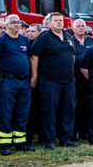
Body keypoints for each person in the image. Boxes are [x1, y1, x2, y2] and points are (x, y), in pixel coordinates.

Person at [0, 14, 35, 156]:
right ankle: (5, 144)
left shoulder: (25, 40)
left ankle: (20, 142)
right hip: (8, 81)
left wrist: (33, 76)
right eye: (13, 23)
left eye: (18, 23)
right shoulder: (1, 40)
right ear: (7, 24)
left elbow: (30, 58)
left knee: (22, 112)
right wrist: (2, 76)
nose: (17, 25)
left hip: (24, 81)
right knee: (6, 111)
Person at [30, 12, 77, 150]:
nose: (59, 23)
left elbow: (72, 55)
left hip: (68, 81)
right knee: (49, 110)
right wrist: (34, 76)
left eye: (61, 20)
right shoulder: (44, 38)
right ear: (49, 23)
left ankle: (65, 138)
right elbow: (34, 57)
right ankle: (49, 140)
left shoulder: (68, 37)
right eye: (56, 21)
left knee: (68, 109)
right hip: (50, 81)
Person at [71, 19, 93, 141]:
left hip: (88, 79)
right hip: (75, 79)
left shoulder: (90, 41)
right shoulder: (70, 41)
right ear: (73, 28)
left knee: (88, 106)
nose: (81, 28)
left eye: (83, 26)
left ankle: (86, 132)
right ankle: (74, 133)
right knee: (75, 106)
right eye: (78, 26)